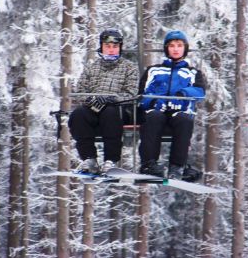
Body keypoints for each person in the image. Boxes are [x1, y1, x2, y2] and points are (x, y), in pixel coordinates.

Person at [137, 30, 206, 180]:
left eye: (179, 45)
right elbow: (142, 95)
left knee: (184, 120)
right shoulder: (153, 70)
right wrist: (154, 101)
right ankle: (149, 163)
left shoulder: (193, 72)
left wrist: (183, 93)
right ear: (166, 48)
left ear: (184, 48)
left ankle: (177, 166)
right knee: (152, 117)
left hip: (179, 111)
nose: (175, 49)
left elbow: (200, 92)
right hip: (157, 111)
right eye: (172, 45)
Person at [69, 28, 138, 173]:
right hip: (94, 108)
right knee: (78, 115)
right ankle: (89, 159)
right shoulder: (92, 68)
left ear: (120, 47)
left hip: (118, 109)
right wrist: (92, 100)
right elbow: (80, 91)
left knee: (110, 113)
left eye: (115, 46)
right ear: (102, 47)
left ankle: (110, 160)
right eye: (108, 46)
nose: (111, 50)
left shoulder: (129, 68)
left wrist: (109, 99)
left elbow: (131, 93)